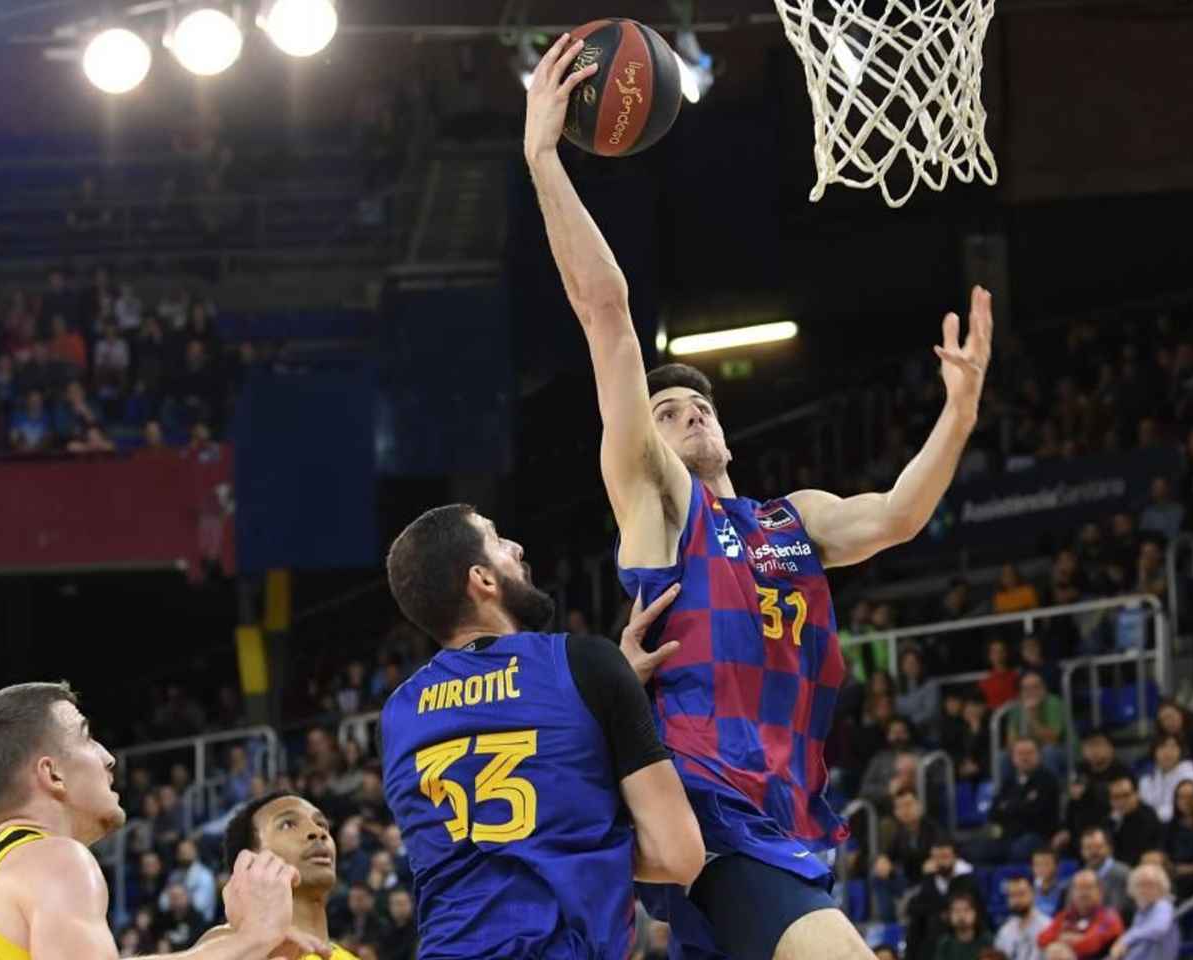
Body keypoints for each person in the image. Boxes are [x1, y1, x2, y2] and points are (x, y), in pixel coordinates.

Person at [527, 33, 992, 960]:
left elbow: (898, 514)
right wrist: (543, 156)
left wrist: (963, 408)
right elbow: (607, 313)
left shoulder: (792, 519)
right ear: (642, 442)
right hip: (709, 810)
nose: (688, 411)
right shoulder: (660, 505)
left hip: (787, 812)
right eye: (664, 409)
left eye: (698, 401)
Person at [380, 504, 705, 958]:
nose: (517, 548)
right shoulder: (585, 663)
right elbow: (678, 854)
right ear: (484, 580)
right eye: (497, 541)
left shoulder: (399, 713)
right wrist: (610, 689)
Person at [0, 682, 323, 959]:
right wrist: (250, 939)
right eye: (86, 736)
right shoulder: (56, 859)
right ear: (52, 774)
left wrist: (229, 945)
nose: (108, 757)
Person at [192, 792, 355, 959]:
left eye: (321, 824)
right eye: (287, 824)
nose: (318, 832)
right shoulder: (231, 946)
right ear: (249, 862)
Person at [1037, 871, 1124, 960]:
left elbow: (1091, 944)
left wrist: (1062, 941)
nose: (1083, 893)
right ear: (1072, 893)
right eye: (1079, 888)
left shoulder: (1110, 917)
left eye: (1088, 888)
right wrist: (1064, 940)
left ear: (1100, 892)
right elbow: (1042, 939)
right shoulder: (1065, 915)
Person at [1108, 865, 1178, 960]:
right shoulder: (1142, 910)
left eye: (1151, 885)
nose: (1145, 890)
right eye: (1141, 885)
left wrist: (1124, 940)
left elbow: (1158, 928)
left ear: (1161, 887)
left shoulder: (1163, 905)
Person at [1137, 736, 1193, 823]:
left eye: (1173, 747)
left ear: (1180, 751)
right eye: (1162, 747)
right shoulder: (1148, 775)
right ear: (1154, 751)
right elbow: (1143, 802)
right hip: (1154, 824)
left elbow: (1182, 809)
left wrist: (1150, 817)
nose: (1168, 752)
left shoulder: (1189, 775)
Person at [996, 874, 1048, 960]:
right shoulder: (1005, 931)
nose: (1017, 900)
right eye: (1012, 895)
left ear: (1033, 894)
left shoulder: (1047, 926)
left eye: (1021, 894)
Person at [929, 892, 993, 960]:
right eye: (956, 911)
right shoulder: (945, 944)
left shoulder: (987, 940)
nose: (961, 915)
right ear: (949, 915)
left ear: (975, 913)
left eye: (966, 910)